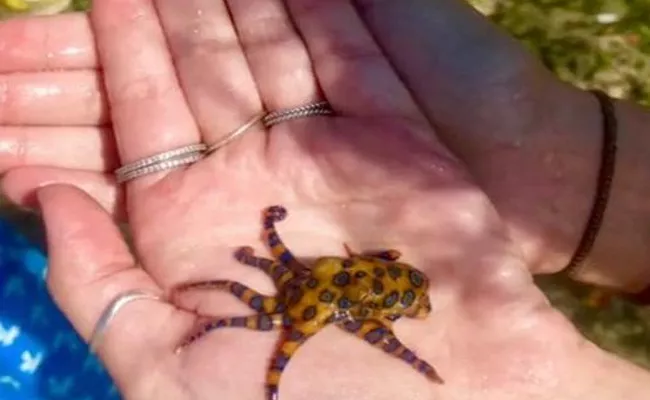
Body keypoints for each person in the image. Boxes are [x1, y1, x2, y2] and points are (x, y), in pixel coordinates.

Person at [0, 0, 648, 399]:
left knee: (265, 310)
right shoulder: (333, 285)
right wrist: (580, 169)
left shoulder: (356, 290)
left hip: (355, 282)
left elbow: (325, 301)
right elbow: (316, 283)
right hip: (350, 278)